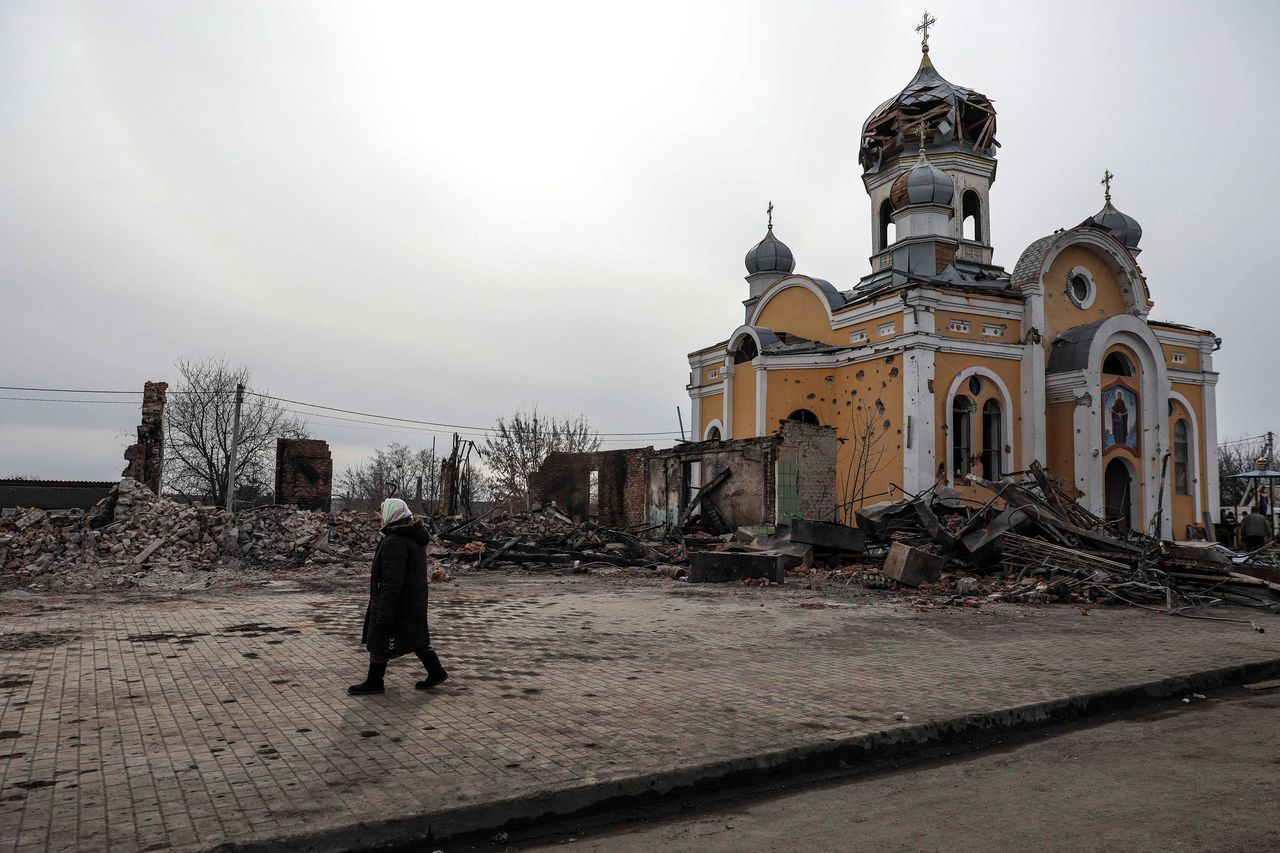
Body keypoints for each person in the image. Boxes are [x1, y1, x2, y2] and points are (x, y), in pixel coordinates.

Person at [348, 498, 449, 696]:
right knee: (416, 638)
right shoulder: (412, 536)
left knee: (381, 637)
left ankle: (374, 681)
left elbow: (391, 580)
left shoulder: (395, 540)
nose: (379, 520)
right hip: (413, 599)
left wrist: (385, 610)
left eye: (382, 515)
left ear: (391, 515)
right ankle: (436, 672)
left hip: (398, 601)